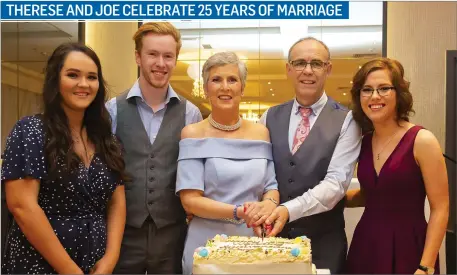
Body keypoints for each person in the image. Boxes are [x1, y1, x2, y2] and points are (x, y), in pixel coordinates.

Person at [1, 42, 126, 274]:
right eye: (72, 75)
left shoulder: (108, 140)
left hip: (96, 264)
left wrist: (110, 259)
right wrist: (71, 271)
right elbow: (22, 206)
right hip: (39, 263)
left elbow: (117, 202)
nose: (83, 84)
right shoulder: (30, 131)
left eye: (92, 77)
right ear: (55, 81)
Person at [255, 37, 361, 274]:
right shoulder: (268, 117)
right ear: (288, 69)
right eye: (300, 63)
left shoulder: (348, 121)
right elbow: (260, 175)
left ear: (328, 69)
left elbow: (335, 185)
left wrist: (287, 210)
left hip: (323, 246)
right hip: (273, 244)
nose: (308, 71)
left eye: (317, 63)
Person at [105, 22, 202, 274]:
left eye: (168, 56)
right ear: (138, 56)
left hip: (173, 233)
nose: (161, 63)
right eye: (152, 54)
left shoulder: (191, 114)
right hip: (123, 234)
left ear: (175, 59)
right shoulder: (112, 110)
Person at [176, 51, 280, 275]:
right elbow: (190, 201)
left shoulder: (261, 133)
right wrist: (238, 212)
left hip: (252, 243)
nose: (225, 87)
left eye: (232, 80)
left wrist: (268, 205)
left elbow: (271, 187)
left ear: (242, 88)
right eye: (216, 80)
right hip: (206, 246)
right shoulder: (192, 134)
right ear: (205, 89)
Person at [345, 58, 449, 274]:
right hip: (366, 246)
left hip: (409, 249)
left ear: (399, 94)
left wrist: (426, 266)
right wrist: (329, 200)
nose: (374, 96)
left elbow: (440, 208)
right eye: (367, 90)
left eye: (384, 88)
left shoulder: (422, 140)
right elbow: (371, 195)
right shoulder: (363, 142)